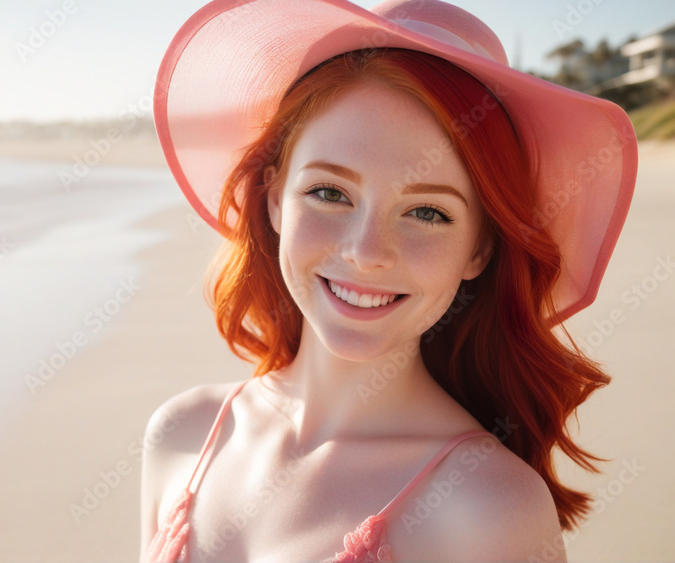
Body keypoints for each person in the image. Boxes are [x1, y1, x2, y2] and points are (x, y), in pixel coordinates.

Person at [140, 1, 637, 561]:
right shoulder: (182, 435)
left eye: (427, 212)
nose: (366, 252)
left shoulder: (486, 508)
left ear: (480, 247)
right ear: (276, 199)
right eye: (329, 193)